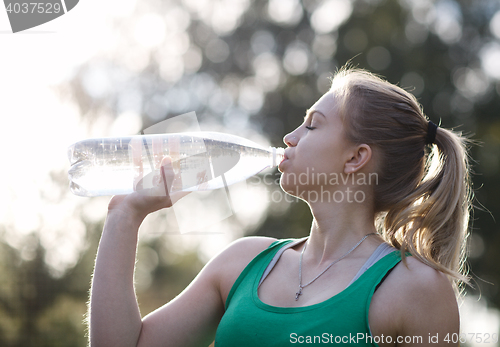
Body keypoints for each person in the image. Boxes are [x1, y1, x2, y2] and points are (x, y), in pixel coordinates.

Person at [88, 67, 472, 347]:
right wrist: (125, 214)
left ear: (356, 157)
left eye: (312, 125)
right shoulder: (242, 262)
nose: (289, 138)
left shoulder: (413, 289)